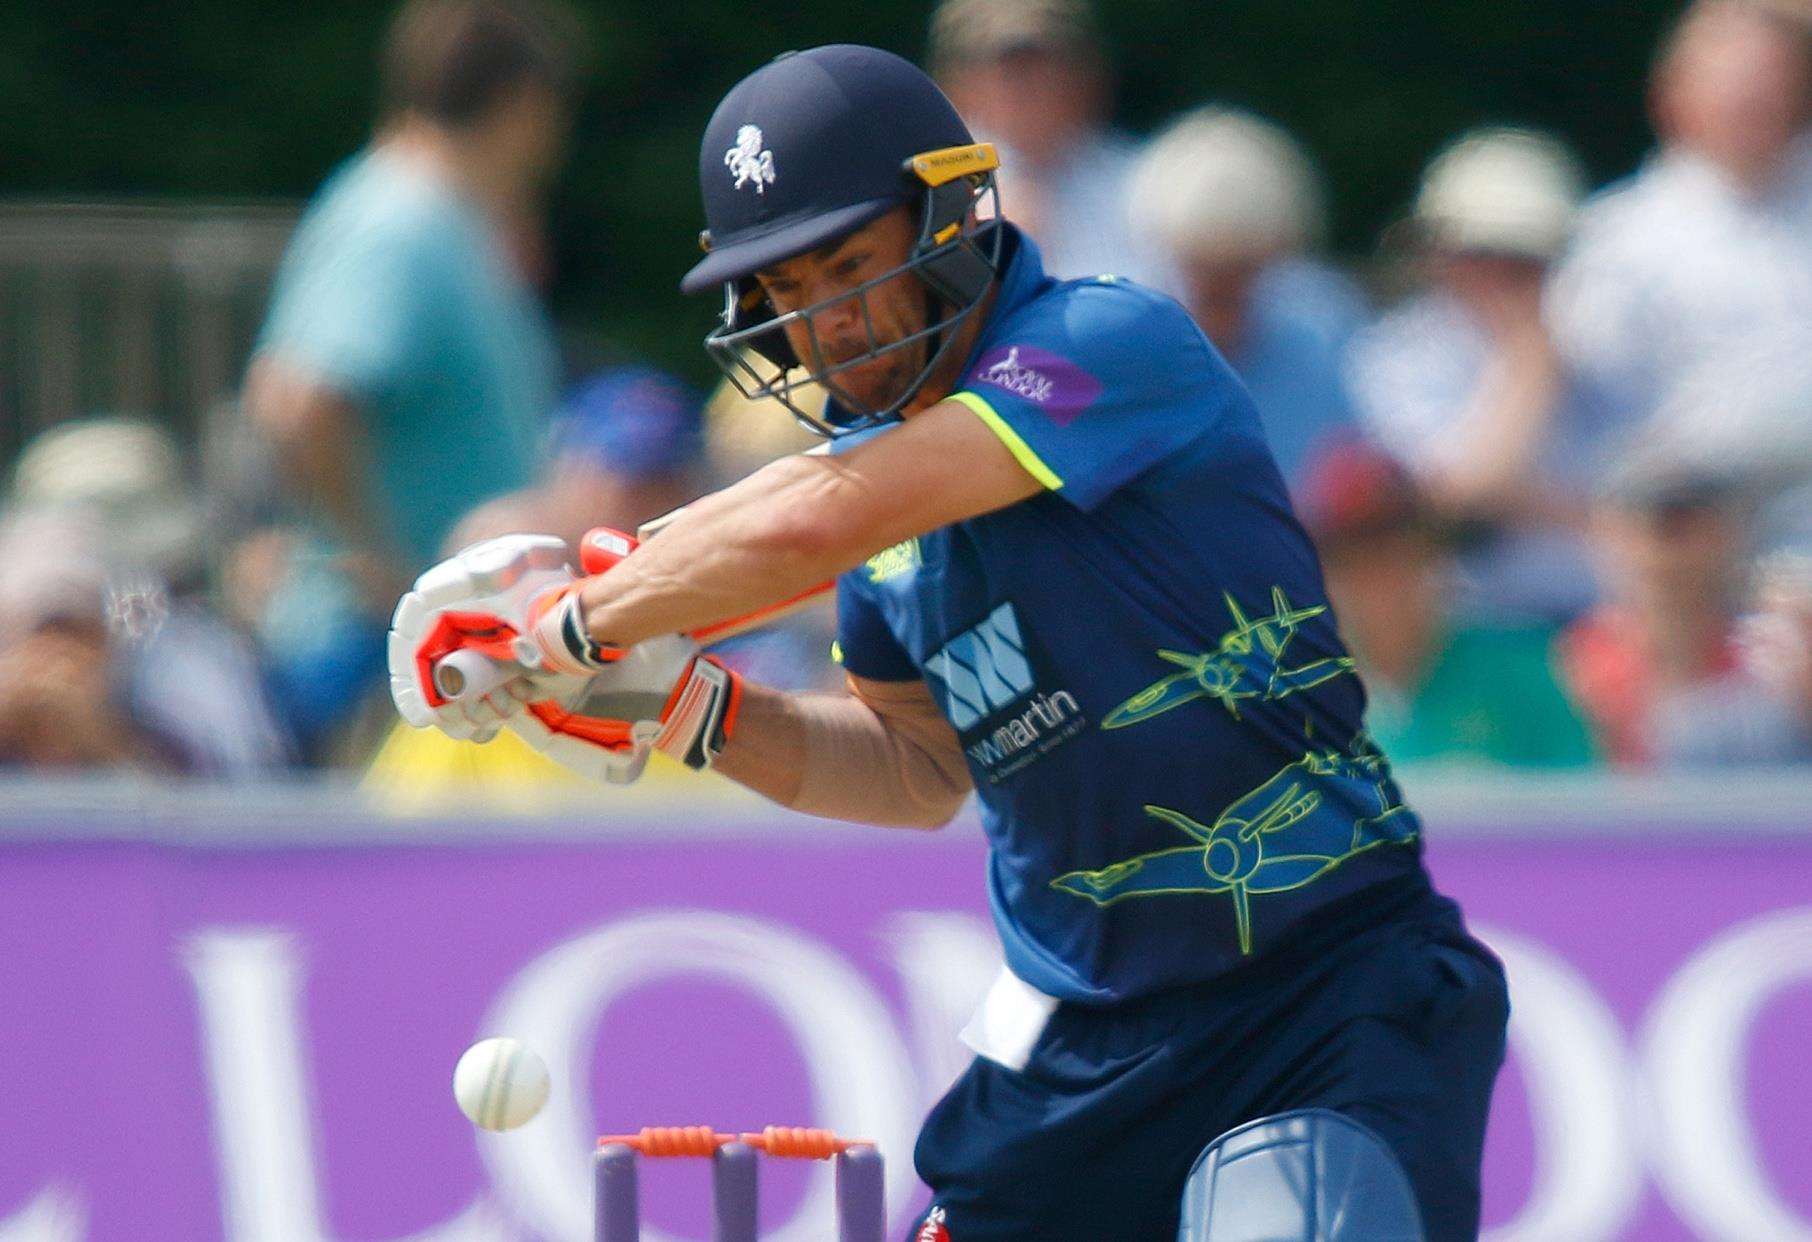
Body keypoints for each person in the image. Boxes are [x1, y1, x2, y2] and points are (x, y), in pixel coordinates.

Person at [388, 46, 1506, 1240]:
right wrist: (688, 710)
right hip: (1084, 1055)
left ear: (951, 218)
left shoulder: (1104, 342)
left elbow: (824, 512)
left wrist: (568, 625)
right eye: (785, 288)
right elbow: (917, 768)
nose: (827, 321)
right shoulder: (877, 519)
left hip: (1323, 994)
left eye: (852, 264)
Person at [1346, 127, 1614, 623]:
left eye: (1525, 259)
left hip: (1603, 621)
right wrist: (1533, 361)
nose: (1500, 274)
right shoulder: (1398, 356)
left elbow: (1651, 500)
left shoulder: (1608, 343)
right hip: (1471, 625)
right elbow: (1456, 500)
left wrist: (1526, 506)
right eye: (1479, 252)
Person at [1547, 0, 1812, 427]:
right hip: (1683, 480)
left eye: (1773, 81)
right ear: (1671, 94)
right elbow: (1597, 403)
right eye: (1733, 86)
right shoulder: (1615, 238)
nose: (1753, 102)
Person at [1302, 440, 1597, 769]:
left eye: (1397, 547)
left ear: (1431, 550)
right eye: (1351, 557)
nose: (1379, 576)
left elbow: (1576, 806)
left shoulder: (1523, 670)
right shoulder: (1297, 700)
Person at [1129, 106, 1369, 491]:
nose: (1223, 292)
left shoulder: (1321, 336)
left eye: (1241, 271)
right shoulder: (1115, 341)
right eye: (1204, 270)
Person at [1559, 452, 1812, 768]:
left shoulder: (1779, 662)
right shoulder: (1569, 659)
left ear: (1727, 535)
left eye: (1685, 527)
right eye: (1641, 527)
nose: (1660, 554)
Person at [929, 0, 1174, 288]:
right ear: (955, 81)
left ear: (1087, 73)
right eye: (1005, 68)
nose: (1024, 87)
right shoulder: (934, 187)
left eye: (1041, 64)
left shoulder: (1151, 184)